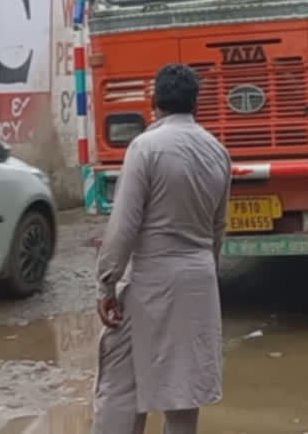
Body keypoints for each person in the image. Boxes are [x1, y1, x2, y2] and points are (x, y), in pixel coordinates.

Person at [93, 63, 232, 434]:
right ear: (195, 103)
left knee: (120, 385)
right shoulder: (218, 152)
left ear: (154, 101)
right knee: (183, 393)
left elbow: (123, 228)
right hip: (198, 280)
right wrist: (205, 280)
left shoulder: (145, 147)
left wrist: (107, 285)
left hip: (151, 281)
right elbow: (218, 229)